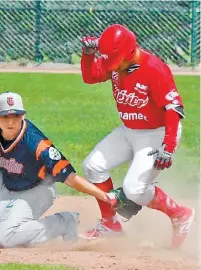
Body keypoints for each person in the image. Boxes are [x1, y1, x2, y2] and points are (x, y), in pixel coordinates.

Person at [0, 91, 122, 248]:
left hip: (35, 191)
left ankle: (65, 222)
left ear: (23, 116)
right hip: (6, 181)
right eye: (5, 116)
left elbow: (71, 177)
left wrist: (105, 196)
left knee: (4, 239)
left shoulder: (37, 145)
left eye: (15, 116)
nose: (11, 122)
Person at [80, 24, 195, 248]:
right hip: (129, 130)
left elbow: (173, 108)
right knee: (93, 166)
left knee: (134, 188)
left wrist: (168, 146)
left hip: (157, 134)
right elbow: (91, 77)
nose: (115, 68)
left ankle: (180, 214)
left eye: (118, 63)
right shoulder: (116, 59)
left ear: (130, 52)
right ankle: (110, 224)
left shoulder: (154, 68)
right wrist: (88, 55)